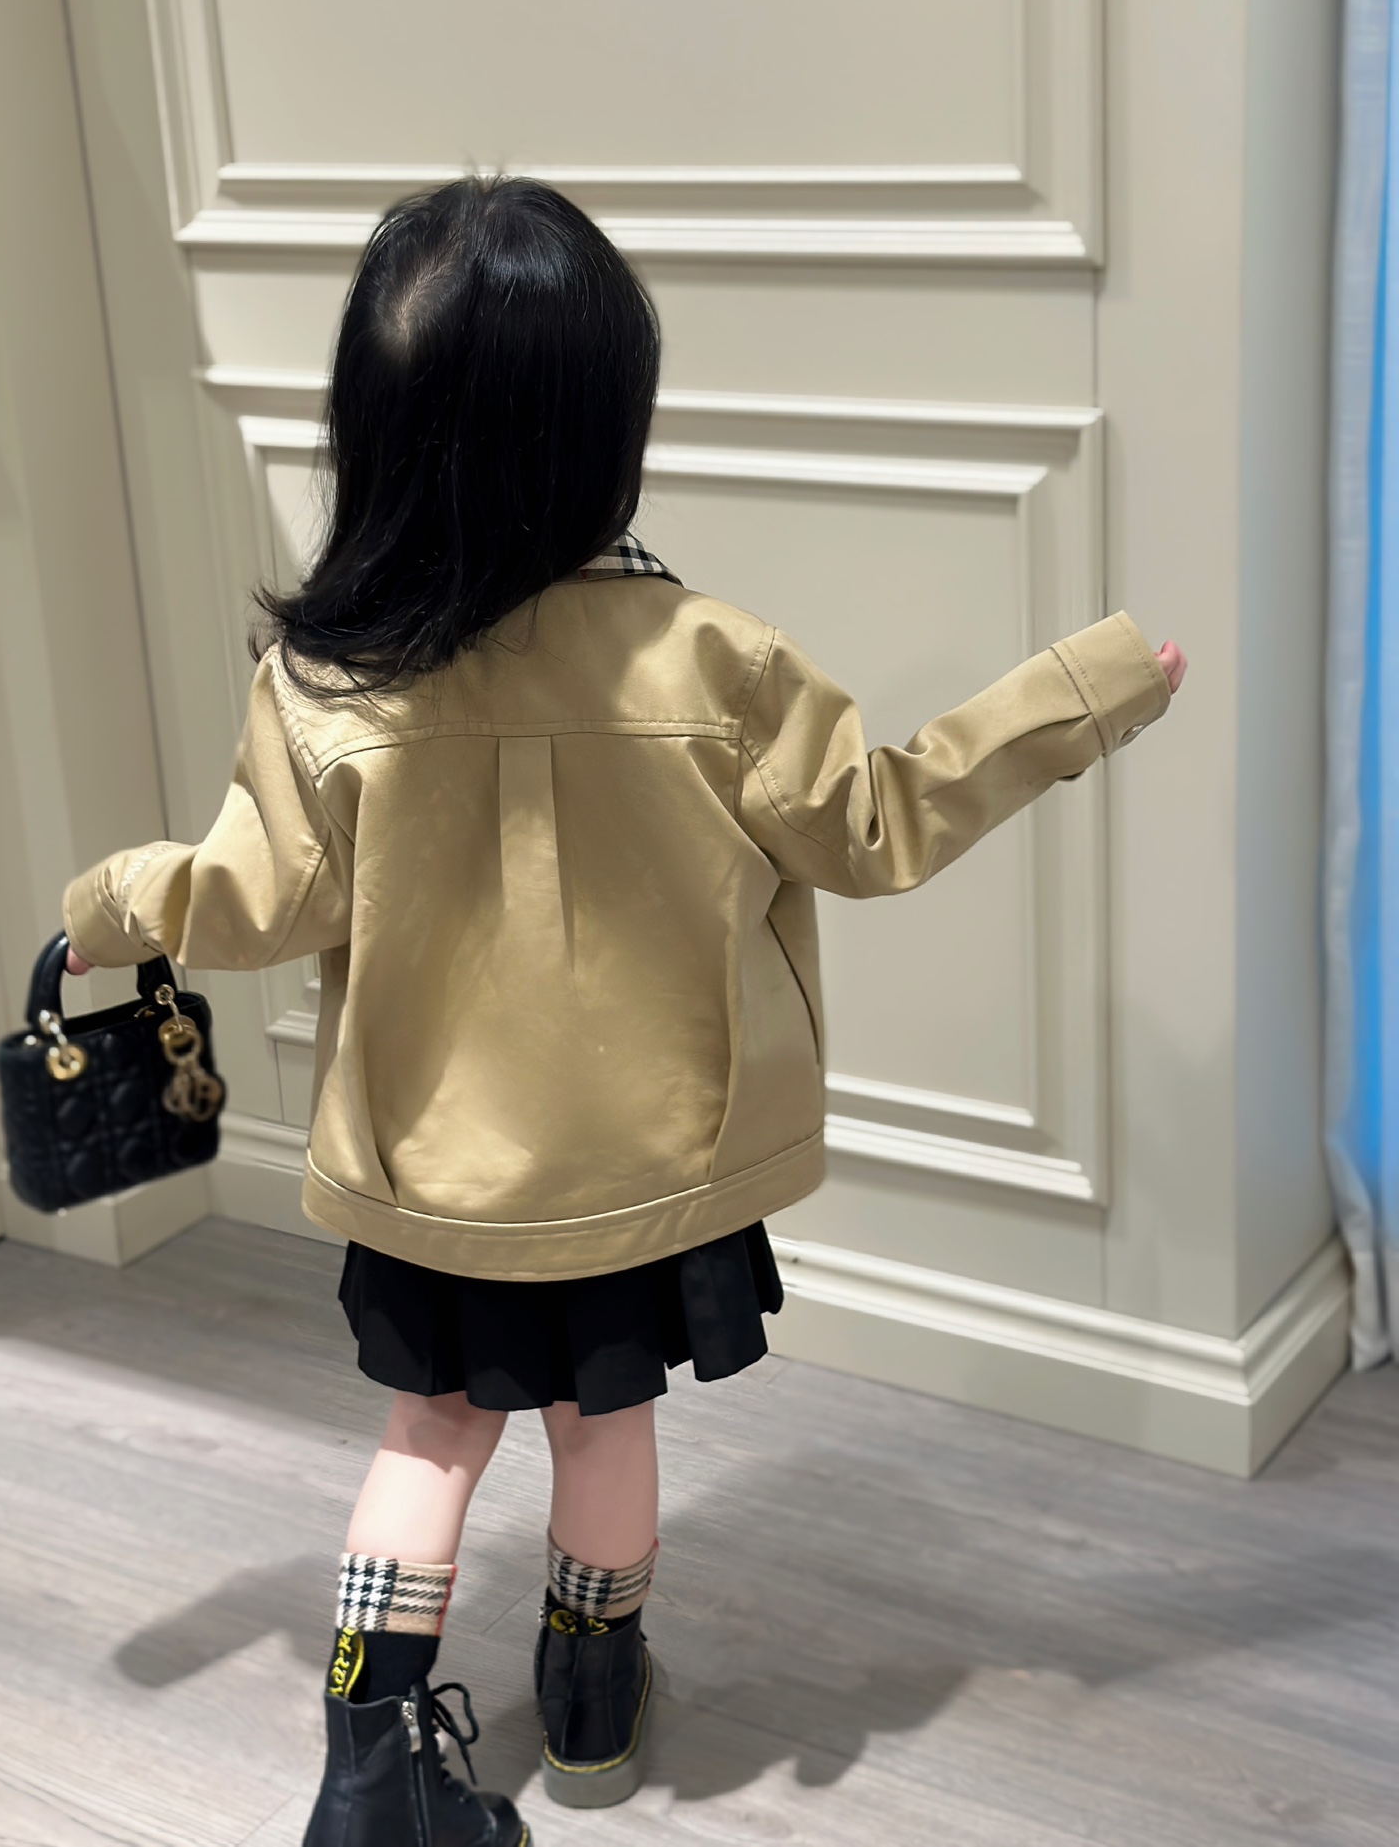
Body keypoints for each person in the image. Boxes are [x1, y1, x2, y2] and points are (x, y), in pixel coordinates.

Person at [61, 177, 1186, 1847]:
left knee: (429, 1436)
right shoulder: (717, 663)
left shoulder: (326, 685)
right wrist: (1075, 697)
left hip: (439, 1182)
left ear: (379, 435)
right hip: (648, 1174)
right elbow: (879, 825)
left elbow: (251, 899)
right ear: (607, 428)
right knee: (606, 1427)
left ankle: (369, 1768)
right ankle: (592, 1698)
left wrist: (108, 902)